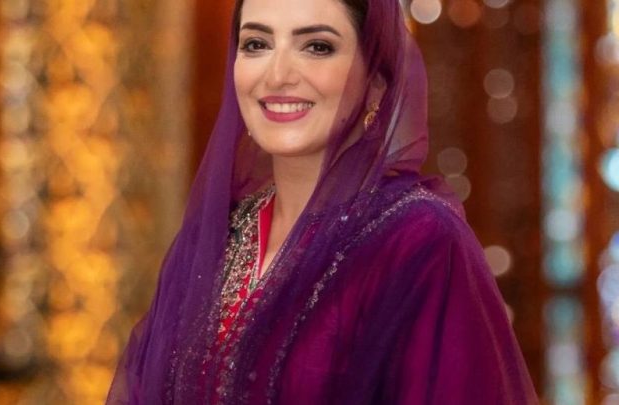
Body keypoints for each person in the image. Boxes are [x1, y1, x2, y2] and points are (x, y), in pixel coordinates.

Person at [107, 0, 538, 403]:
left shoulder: (418, 242)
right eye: (256, 44)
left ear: (376, 81)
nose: (277, 75)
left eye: (317, 46)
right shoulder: (221, 238)